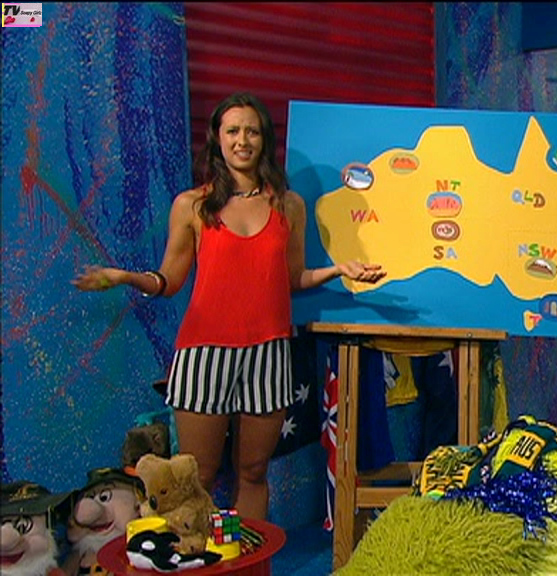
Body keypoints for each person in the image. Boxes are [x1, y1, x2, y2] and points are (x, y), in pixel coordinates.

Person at [72, 92, 386, 520]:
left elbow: (292, 278)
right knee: (197, 476)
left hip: (269, 353)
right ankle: (194, 554)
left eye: (252, 131)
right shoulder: (193, 205)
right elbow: (169, 280)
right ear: (217, 138)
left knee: (254, 471)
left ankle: (249, 554)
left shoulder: (288, 205)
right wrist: (125, 277)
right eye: (233, 130)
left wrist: (338, 271)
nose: (243, 140)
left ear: (264, 139)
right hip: (204, 353)